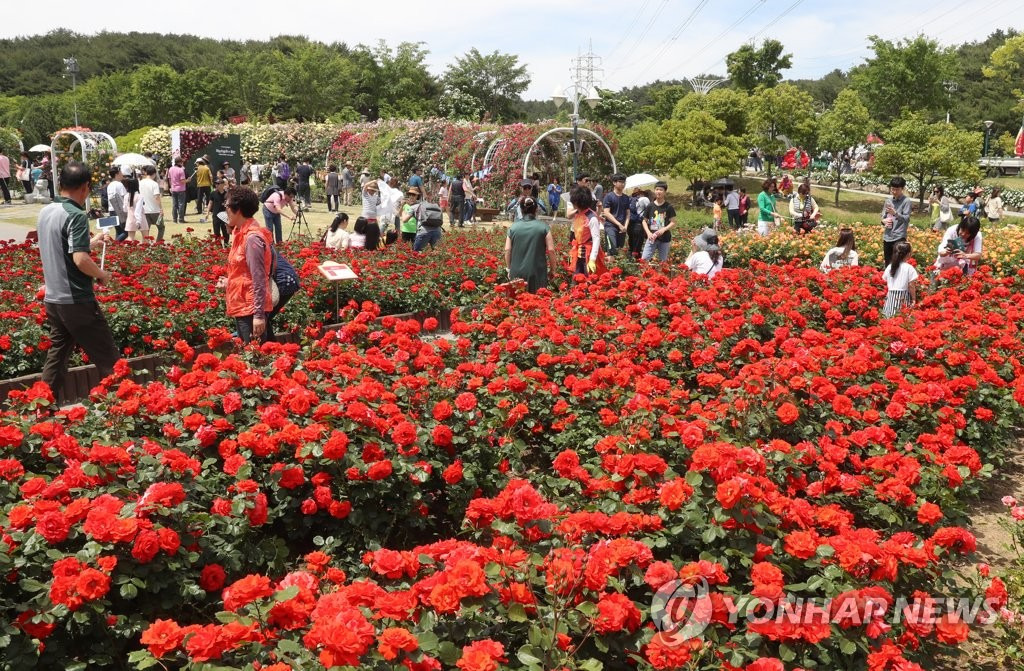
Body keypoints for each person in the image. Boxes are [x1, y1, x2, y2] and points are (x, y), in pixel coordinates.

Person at [37, 161, 119, 401]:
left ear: (61, 184)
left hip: (54, 300)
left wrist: (92, 243)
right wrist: (102, 274)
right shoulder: (76, 215)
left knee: (57, 357)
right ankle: (128, 406)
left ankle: (41, 406)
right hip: (76, 301)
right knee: (108, 358)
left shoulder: (46, 211)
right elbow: (81, 260)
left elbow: (62, 247)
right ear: (85, 187)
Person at [217, 186, 275, 345]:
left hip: (250, 309)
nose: (225, 210)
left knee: (254, 360)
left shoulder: (251, 238)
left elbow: (259, 278)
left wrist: (258, 315)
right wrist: (230, 282)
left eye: (227, 206)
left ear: (238, 209)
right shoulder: (240, 234)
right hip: (243, 305)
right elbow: (246, 273)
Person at [505, 196, 557, 292]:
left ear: (520, 209)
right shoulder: (544, 227)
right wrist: (553, 270)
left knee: (516, 304)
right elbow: (551, 250)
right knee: (537, 302)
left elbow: (507, 250)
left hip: (516, 272)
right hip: (537, 273)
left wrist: (509, 269)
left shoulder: (513, 228)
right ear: (536, 209)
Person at [568, 186, 605, 278]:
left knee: (588, 279)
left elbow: (596, 239)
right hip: (578, 252)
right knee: (577, 279)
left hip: (588, 254)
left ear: (577, 202)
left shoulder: (591, 217)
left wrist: (592, 259)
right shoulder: (578, 214)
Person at [881, 241, 917, 318]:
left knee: (889, 318)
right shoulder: (909, 268)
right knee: (902, 318)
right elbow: (911, 285)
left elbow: (884, 279)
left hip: (891, 296)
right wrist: (913, 299)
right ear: (908, 254)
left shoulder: (890, 266)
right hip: (903, 297)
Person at [881, 176, 911, 267]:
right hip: (887, 236)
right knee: (888, 263)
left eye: (897, 189)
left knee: (898, 264)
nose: (894, 192)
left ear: (902, 189)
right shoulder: (888, 200)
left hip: (899, 237)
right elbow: (883, 217)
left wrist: (895, 213)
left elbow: (906, 219)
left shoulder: (906, 201)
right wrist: (884, 221)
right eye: (892, 189)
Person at [602, 173, 630, 255]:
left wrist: (625, 227)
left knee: (619, 250)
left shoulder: (626, 197)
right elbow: (606, 213)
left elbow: (628, 214)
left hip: (622, 228)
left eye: (624, 182)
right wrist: (619, 224)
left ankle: (616, 267)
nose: (623, 184)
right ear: (614, 183)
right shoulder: (609, 196)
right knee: (612, 248)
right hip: (610, 226)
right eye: (620, 182)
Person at [139, 165, 165, 243]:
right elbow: (157, 197)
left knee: (146, 230)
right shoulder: (154, 184)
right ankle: (158, 243)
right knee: (161, 228)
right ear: (154, 173)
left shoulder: (140, 183)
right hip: (155, 210)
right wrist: (161, 209)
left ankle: (145, 244)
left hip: (144, 210)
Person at [106, 167, 128, 240]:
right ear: (117, 174)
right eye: (121, 172)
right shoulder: (119, 184)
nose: (122, 174)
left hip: (111, 210)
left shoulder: (110, 185)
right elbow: (125, 197)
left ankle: (116, 248)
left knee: (118, 231)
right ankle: (114, 245)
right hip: (119, 210)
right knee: (126, 231)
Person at [360, 181, 383, 249]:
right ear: (368, 189)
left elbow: (381, 203)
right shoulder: (365, 194)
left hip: (373, 217)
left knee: (375, 233)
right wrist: (374, 181)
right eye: (371, 190)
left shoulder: (376, 197)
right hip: (365, 217)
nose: (372, 191)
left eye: (373, 190)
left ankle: (373, 246)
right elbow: (365, 185)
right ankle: (363, 246)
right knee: (364, 233)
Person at [208, 179, 230, 247]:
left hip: (225, 216)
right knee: (216, 232)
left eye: (218, 184)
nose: (216, 185)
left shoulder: (227, 194)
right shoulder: (213, 193)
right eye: (216, 184)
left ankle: (226, 245)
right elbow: (210, 203)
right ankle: (218, 246)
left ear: (223, 185)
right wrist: (207, 212)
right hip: (216, 215)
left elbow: (230, 204)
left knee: (225, 232)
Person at [167, 158, 187, 224]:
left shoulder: (171, 169)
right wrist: (188, 180)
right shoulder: (181, 170)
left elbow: (169, 179)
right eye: (182, 162)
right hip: (181, 189)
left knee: (174, 204)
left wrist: (171, 187)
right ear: (180, 162)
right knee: (181, 204)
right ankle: (181, 219)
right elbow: (182, 181)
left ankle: (174, 219)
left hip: (173, 188)